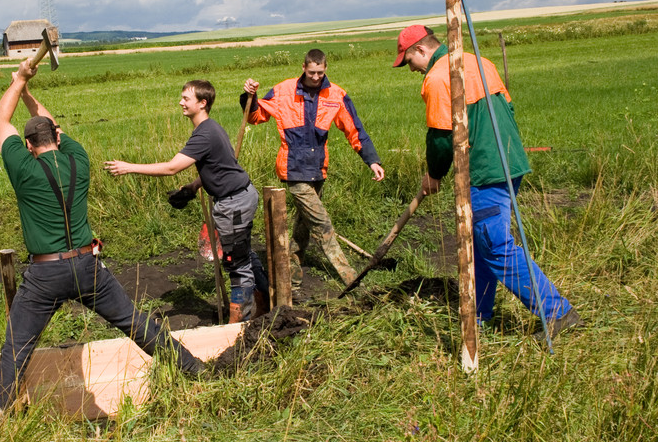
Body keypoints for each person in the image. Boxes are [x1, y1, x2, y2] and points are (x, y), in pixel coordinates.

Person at [0, 59, 202, 414]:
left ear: (27, 145)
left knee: (15, 350)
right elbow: (51, 124)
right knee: (136, 322)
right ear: (57, 137)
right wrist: (27, 91)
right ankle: (195, 371)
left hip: (45, 274)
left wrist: (20, 80)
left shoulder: (22, 166)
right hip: (88, 265)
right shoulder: (79, 158)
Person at [394, 24, 582, 342]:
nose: (410, 68)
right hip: (510, 160)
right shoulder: (479, 60)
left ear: (421, 50)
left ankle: (557, 312)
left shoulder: (439, 77)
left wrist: (434, 175)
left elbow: (441, 138)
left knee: (494, 244)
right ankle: (477, 316)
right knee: (477, 244)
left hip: (484, 170)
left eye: (408, 61)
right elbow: (507, 107)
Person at [105, 79, 269, 323]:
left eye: (186, 98)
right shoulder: (210, 128)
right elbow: (219, 166)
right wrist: (193, 187)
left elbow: (172, 168)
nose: (180, 102)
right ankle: (265, 302)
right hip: (237, 197)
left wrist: (128, 167)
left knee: (237, 263)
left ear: (202, 103)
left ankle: (239, 325)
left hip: (233, 202)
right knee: (243, 254)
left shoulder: (205, 133)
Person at [242, 49, 384, 287]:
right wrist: (249, 96)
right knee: (321, 222)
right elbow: (255, 116)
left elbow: (355, 130)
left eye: (320, 72)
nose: (316, 77)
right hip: (293, 169)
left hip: (318, 169)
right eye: (312, 72)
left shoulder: (336, 95)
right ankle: (350, 277)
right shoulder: (283, 91)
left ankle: (292, 273)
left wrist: (372, 161)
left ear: (325, 68)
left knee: (304, 224)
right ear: (303, 67)